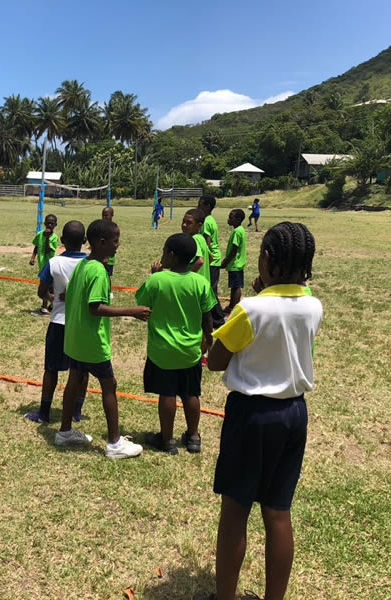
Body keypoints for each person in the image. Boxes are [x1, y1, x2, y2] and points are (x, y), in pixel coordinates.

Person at [204, 222, 322, 600]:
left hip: (251, 415)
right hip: (294, 414)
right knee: (277, 511)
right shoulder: (313, 305)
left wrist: (251, 303)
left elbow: (216, 361)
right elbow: (285, 313)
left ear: (267, 259)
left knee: (235, 512)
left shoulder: (250, 309)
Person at [54, 218, 150, 459]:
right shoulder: (98, 271)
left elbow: (70, 295)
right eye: (115, 240)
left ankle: (64, 431)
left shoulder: (84, 265)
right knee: (109, 386)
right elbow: (95, 308)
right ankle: (115, 444)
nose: (118, 244)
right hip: (92, 343)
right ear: (101, 242)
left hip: (75, 339)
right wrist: (132, 311)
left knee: (74, 381)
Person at [137, 233, 216, 454]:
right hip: (191, 350)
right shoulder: (200, 282)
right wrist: (208, 339)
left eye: (164, 251)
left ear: (171, 256)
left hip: (162, 351)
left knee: (167, 393)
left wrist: (154, 275)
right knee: (191, 393)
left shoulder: (157, 280)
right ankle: (193, 436)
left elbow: (142, 303)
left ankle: (166, 439)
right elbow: (207, 316)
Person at [24, 220, 89, 424]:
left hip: (59, 322)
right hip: (82, 325)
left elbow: (41, 292)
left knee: (51, 369)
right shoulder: (91, 264)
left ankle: (44, 412)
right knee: (81, 370)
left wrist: (53, 298)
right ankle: (76, 411)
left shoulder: (54, 263)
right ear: (84, 241)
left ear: (61, 240)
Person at [198, 195, 224, 329]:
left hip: (212, 260)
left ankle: (219, 320)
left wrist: (204, 259)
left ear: (207, 206)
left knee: (211, 292)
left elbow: (206, 242)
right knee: (211, 290)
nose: (198, 206)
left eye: (200, 204)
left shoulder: (207, 221)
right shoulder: (210, 219)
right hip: (214, 259)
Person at [30, 214, 59, 315]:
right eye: (48, 223)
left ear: (55, 225)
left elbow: (47, 250)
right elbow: (36, 247)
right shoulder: (39, 234)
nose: (49, 225)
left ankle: (50, 304)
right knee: (44, 286)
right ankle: (45, 306)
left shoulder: (54, 237)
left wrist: (47, 238)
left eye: (52, 223)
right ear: (44, 223)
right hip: (42, 265)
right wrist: (32, 258)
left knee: (51, 286)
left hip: (51, 265)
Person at [220, 209, 247, 315]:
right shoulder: (240, 230)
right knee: (235, 286)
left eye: (231, 217)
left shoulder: (236, 232)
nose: (228, 219)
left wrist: (225, 261)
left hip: (235, 264)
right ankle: (233, 304)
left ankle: (232, 307)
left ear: (238, 219)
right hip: (239, 263)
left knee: (235, 287)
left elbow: (234, 250)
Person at [182, 208, 210, 285]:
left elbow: (200, 261)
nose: (184, 225)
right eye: (183, 221)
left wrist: (185, 278)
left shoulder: (194, 239)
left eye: (189, 223)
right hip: (204, 282)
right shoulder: (201, 238)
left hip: (194, 284)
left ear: (199, 226)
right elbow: (210, 257)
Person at [101, 207, 116, 277]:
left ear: (112, 215)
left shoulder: (113, 228)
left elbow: (115, 244)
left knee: (107, 276)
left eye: (106, 215)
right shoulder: (101, 226)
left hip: (109, 260)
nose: (104, 217)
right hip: (100, 258)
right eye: (103, 215)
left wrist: (107, 257)